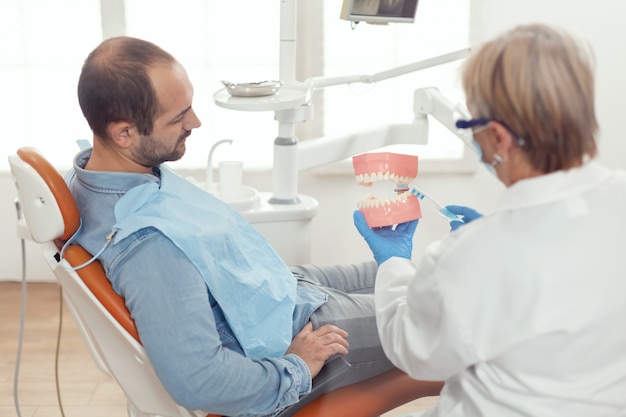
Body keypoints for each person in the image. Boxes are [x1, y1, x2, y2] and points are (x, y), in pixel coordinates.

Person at [67, 36, 441, 417]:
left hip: (281, 292)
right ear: (124, 133)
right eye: (178, 117)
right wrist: (296, 366)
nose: (195, 122)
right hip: (296, 335)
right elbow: (199, 380)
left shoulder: (98, 173)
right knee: (448, 316)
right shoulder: (150, 247)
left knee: (434, 274)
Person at [354, 23, 626, 417]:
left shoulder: (473, 255)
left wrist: (393, 262)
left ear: (498, 137)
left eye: (470, 125)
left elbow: (414, 350)